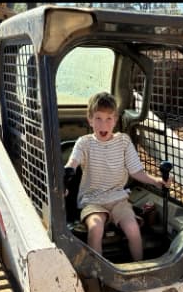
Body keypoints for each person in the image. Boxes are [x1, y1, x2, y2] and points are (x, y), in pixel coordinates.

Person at [66, 92, 166, 262]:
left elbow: (136, 172)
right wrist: (66, 176)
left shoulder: (124, 142)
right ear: (90, 119)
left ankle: (140, 267)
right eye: (98, 118)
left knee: (133, 228)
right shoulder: (84, 143)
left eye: (108, 118)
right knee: (96, 228)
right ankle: (98, 273)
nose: (103, 124)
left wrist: (156, 181)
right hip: (93, 201)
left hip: (118, 199)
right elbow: (72, 163)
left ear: (116, 119)